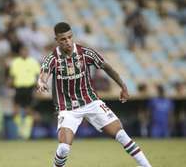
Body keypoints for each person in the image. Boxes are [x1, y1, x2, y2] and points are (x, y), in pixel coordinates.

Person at [37, 22, 151, 167]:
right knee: (64, 148)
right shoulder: (52, 58)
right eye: (63, 39)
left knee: (121, 135)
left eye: (70, 37)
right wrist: (41, 82)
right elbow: (43, 74)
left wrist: (122, 86)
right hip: (68, 108)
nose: (68, 42)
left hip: (91, 102)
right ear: (57, 40)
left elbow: (107, 67)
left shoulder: (85, 53)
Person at [9, 45, 40, 139]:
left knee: (28, 111)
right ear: (20, 52)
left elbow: (38, 76)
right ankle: (19, 129)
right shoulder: (15, 62)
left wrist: (37, 89)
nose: (24, 53)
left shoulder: (33, 62)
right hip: (18, 88)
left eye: (25, 51)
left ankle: (26, 132)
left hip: (29, 88)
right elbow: (12, 77)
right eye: (22, 51)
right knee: (16, 111)